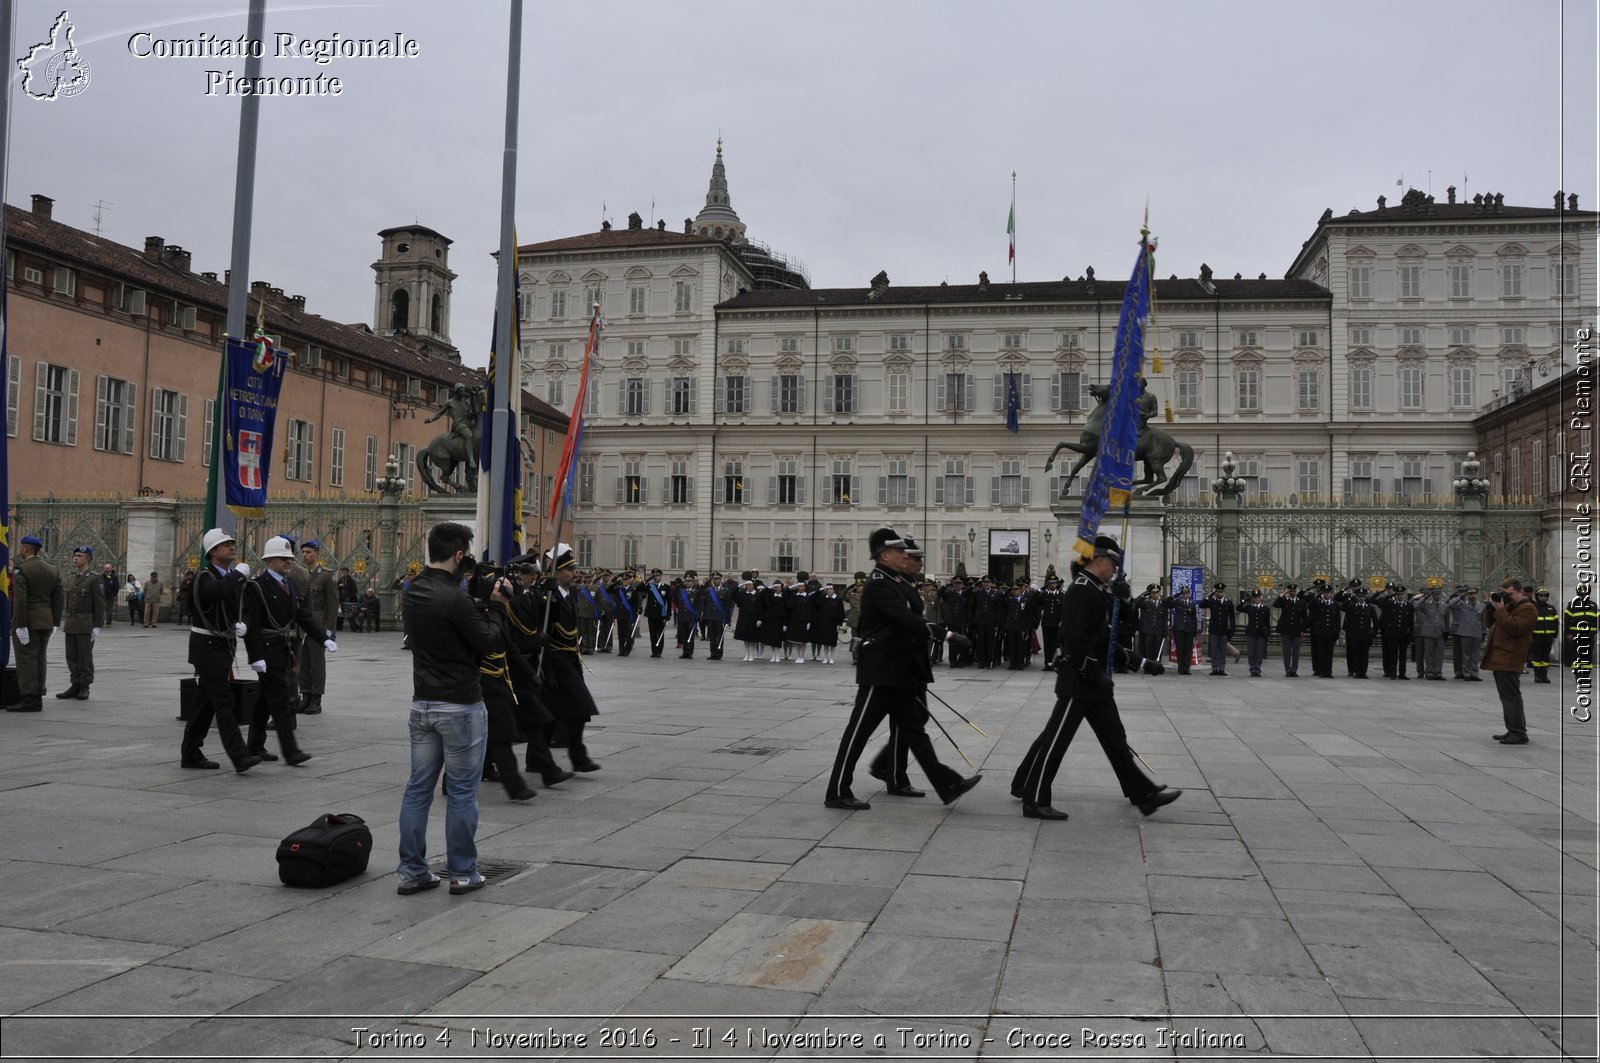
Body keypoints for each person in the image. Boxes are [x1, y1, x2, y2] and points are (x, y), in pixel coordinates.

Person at [1010, 535, 1180, 821]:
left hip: (1095, 683)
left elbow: (1103, 641)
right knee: (1055, 741)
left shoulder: (1096, 589)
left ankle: (1144, 795)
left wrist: (1142, 662)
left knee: (1116, 740)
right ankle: (1035, 799)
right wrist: (1093, 672)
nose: (1115, 569)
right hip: (1079, 680)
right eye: (1113, 564)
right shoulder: (1080, 590)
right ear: (1099, 561)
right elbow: (1075, 639)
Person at [823, 527, 981, 811]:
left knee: (915, 732)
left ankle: (947, 784)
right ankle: (836, 791)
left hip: (899, 671)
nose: (904, 555)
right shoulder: (879, 583)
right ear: (885, 555)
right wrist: (945, 635)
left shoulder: (896, 581)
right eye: (899, 551)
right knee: (858, 732)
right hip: (880, 671)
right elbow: (903, 618)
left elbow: (909, 617)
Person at [397, 521, 506, 897]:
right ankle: (461, 871)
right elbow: (488, 643)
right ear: (459, 555)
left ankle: (412, 871)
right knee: (461, 792)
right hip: (459, 704)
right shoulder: (455, 598)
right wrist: (495, 608)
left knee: (417, 790)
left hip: (422, 702)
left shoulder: (413, 590)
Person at [179, 529, 260, 772]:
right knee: (224, 702)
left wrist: (242, 620)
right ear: (213, 552)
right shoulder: (204, 577)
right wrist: (237, 575)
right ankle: (240, 756)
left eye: (233, 543)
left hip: (222, 647)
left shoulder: (228, 577)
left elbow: (240, 603)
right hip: (207, 648)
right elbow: (216, 592)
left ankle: (190, 753)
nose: (232, 547)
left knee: (205, 704)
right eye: (226, 544)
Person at [241, 537, 326, 766]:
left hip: (282, 649)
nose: (288, 562)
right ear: (269, 561)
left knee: (263, 702)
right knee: (279, 700)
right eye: (283, 558)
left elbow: (302, 616)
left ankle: (254, 746)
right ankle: (291, 751)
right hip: (267, 652)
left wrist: (323, 638)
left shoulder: (288, 585)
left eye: (289, 558)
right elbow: (252, 624)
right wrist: (255, 657)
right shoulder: (257, 586)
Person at [526, 543, 603, 774]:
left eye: (573, 569)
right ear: (557, 572)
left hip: (570, 659)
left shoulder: (572, 592)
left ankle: (537, 760)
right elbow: (543, 628)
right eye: (569, 569)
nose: (574, 573)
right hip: (554, 659)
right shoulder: (546, 595)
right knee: (579, 708)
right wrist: (547, 598)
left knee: (552, 713)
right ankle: (576, 757)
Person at [6, 535, 63, 712]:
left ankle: (29, 698)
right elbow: (58, 598)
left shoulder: (22, 569)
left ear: (26, 549)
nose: (20, 550)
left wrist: (20, 624)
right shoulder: (52, 569)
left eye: (21, 547)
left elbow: (21, 600)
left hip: (28, 620)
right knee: (40, 658)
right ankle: (38, 694)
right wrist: (55, 621)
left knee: (26, 660)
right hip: (45, 620)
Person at [1482, 578, 1537, 745]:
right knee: (1506, 697)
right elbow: (1490, 623)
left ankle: (1518, 733)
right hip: (1502, 657)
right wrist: (1493, 608)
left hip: (1510, 658)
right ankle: (1512, 730)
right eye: (1505, 594)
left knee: (1511, 697)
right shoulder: (1511, 607)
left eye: (1510, 594)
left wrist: (1501, 610)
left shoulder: (1528, 609)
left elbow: (1514, 628)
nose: (1507, 597)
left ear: (1521, 592)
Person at [57, 545, 105, 701]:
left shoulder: (94, 578)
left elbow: (99, 603)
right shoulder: (71, 577)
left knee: (84, 657)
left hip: (85, 623)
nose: (75, 558)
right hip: (71, 622)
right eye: (74, 556)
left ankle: (85, 686)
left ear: (88, 559)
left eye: (79, 556)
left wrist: (97, 625)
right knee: (71, 656)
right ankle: (75, 684)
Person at [297, 541, 338, 714]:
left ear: (317, 554)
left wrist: (330, 628)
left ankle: (316, 698)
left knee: (317, 662)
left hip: (318, 624)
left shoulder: (326, 576)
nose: (305, 555)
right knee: (302, 662)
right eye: (303, 552)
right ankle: (305, 695)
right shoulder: (300, 574)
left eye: (309, 552)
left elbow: (332, 603)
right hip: (301, 625)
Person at [1447, 587, 1486, 681]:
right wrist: (1461, 596)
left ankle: (1474, 673)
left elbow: (1482, 620)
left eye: (1474, 593)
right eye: (1470, 594)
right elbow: (1450, 604)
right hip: (1465, 632)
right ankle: (1466, 673)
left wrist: (1484, 631)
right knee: (1466, 654)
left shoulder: (1481, 605)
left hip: (1477, 632)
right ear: (1467, 595)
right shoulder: (1461, 604)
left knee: (1475, 655)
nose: (1473, 595)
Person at [1375, 584, 1414, 679]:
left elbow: (1411, 621)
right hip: (1392, 633)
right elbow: (1381, 604)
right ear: (1395, 595)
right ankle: (1392, 672)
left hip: (1403, 634)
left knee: (1403, 655)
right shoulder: (1390, 604)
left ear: (1404, 595)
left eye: (1402, 594)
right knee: (1393, 654)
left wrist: (1411, 634)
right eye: (1398, 594)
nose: (1400, 596)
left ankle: (1402, 673)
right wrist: (1389, 595)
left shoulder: (1408, 606)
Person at [1341, 587, 1378, 679]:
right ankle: (1357, 671)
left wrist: (1373, 634)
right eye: (1359, 596)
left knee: (1365, 654)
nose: (1361, 598)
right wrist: (1350, 597)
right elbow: (1342, 607)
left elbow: (1375, 622)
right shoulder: (1352, 606)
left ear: (1365, 597)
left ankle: (1363, 671)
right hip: (1355, 635)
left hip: (1365, 635)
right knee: (1355, 654)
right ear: (1357, 597)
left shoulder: (1370, 608)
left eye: (1363, 596)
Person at [1198, 583, 1235, 675]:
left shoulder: (1228, 603)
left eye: (1221, 592)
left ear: (1224, 592)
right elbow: (1202, 605)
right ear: (1216, 592)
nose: (1219, 594)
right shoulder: (1212, 601)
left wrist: (1231, 630)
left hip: (1224, 631)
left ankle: (1221, 668)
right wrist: (1210, 595)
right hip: (1214, 630)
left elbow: (1232, 617)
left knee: (1222, 651)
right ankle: (1214, 668)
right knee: (1214, 651)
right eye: (1218, 592)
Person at [1163, 586, 1199, 675]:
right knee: (1180, 649)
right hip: (1179, 629)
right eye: (1183, 593)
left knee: (1187, 649)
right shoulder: (1177, 601)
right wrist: (1175, 595)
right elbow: (1165, 602)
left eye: (1186, 593)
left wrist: (1195, 632)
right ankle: (1180, 668)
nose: (1185, 595)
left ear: (1189, 594)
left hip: (1189, 629)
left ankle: (1186, 668)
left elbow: (1194, 618)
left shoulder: (1192, 603)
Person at [1272, 583, 1307, 677]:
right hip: (1285, 630)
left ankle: (1294, 670)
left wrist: (1303, 630)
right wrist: (1283, 593)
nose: (1292, 593)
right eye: (1291, 591)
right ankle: (1288, 669)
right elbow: (1275, 604)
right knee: (1286, 651)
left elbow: (1304, 617)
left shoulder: (1301, 602)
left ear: (1296, 591)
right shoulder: (1284, 600)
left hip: (1296, 630)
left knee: (1296, 651)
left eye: (1294, 591)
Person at [696, 571, 732, 660]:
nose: (715, 581)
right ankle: (713, 653)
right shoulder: (709, 590)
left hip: (720, 617)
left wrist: (727, 619)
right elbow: (699, 595)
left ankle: (719, 654)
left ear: (720, 580)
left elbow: (728, 606)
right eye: (714, 579)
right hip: (711, 616)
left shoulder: (725, 591)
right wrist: (705, 583)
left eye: (717, 579)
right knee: (712, 636)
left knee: (720, 636)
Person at [1414, 587, 1448, 680]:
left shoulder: (1444, 605)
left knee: (1439, 654)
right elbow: (1415, 606)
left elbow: (1446, 619)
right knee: (1429, 654)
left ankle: (1438, 672)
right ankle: (1429, 672)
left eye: (1438, 594)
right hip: (1428, 632)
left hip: (1440, 632)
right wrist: (1424, 597)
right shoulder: (1427, 604)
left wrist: (1446, 630)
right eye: (1435, 594)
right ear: (1432, 596)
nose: (1437, 596)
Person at [1528, 587, 1559, 683]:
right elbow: (1529, 623)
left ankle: (1544, 675)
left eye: (1545, 595)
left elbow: (1555, 622)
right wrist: (1529, 636)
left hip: (1548, 637)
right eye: (1541, 595)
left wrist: (1555, 635)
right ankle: (1537, 676)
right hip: (1536, 637)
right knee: (1537, 656)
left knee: (1546, 656)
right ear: (1537, 597)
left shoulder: (1551, 608)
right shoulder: (1533, 608)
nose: (1543, 597)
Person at [1565, 584, 1595, 679]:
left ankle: (1585, 675)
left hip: (1589, 636)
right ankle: (1578, 676)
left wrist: (1596, 634)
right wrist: (1568, 633)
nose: (1583, 593)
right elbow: (1567, 621)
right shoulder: (1571, 604)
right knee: (1576, 656)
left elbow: (1597, 621)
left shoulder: (1594, 605)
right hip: (1575, 635)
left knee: (1587, 656)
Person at [1240, 589, 1272, 677]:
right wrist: (1244, 600)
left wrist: (1267, 634)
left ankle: (1257, 669)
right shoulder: (1249, 607)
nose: (1257, 599)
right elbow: (1239, 608)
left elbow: (1267, 622)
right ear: (1253, 598)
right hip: (1251, 633)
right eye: (1255, 597)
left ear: (1260, 598)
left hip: (1261, 634)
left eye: (1258, 597)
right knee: (1251, 653)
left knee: (1259, 653)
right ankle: (1252, 668)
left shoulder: (1265, 608)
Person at [1038, 575, 1066, 671]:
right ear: (1048, 584)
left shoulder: (1061, 595)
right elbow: (1033, 601)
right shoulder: (1044, 594)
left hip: (1056, 624)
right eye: (1051, 583)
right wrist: (1040, 589)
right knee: (1047, 644)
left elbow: (1064, 610)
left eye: (1054, 583)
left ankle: (1053, 663)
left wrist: (1062, 621)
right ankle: (1047, 663)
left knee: (1055, 644)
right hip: (1046, 623)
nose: (1053, 585)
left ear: (1057, 584)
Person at [642, 569, 670, 658]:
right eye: (654, 576)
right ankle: (654, 651)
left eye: (657, 576)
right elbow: (639, 588)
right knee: (653, 633)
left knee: (660, 633)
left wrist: (668, 614)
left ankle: (659, 651)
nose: (655, 578)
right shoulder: (650, 586)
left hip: (661, 614)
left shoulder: (666, 587)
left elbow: (669, 602)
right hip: (651, 614)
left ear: (661, 577)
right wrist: (647, 580)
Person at [673, 572, 700, 658]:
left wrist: (697, 616)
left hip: (691, 617)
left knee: (690, 636)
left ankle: (690, 652)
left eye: (690, 581)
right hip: (682, 616)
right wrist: (678, 585)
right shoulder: (681, 592)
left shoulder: (696, 593)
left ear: (693, 583)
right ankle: (685, 652)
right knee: (683, 635)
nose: (688, 583)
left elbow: (699, 605)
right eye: (686, 581)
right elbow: (673, 597)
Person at [335, 567, 359, 631]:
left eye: (346, 572)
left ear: (348, 573)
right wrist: (339, 586)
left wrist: (349, 596)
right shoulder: (340, 580)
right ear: (342, 573)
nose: (345, 573)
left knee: (349, 614)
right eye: (343, 572)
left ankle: (354, 627)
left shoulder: (351, 580)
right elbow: (336, 589)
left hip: (349, 599)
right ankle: (339, 627)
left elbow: (354, 590)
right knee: (340, 613)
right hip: (341, 599)